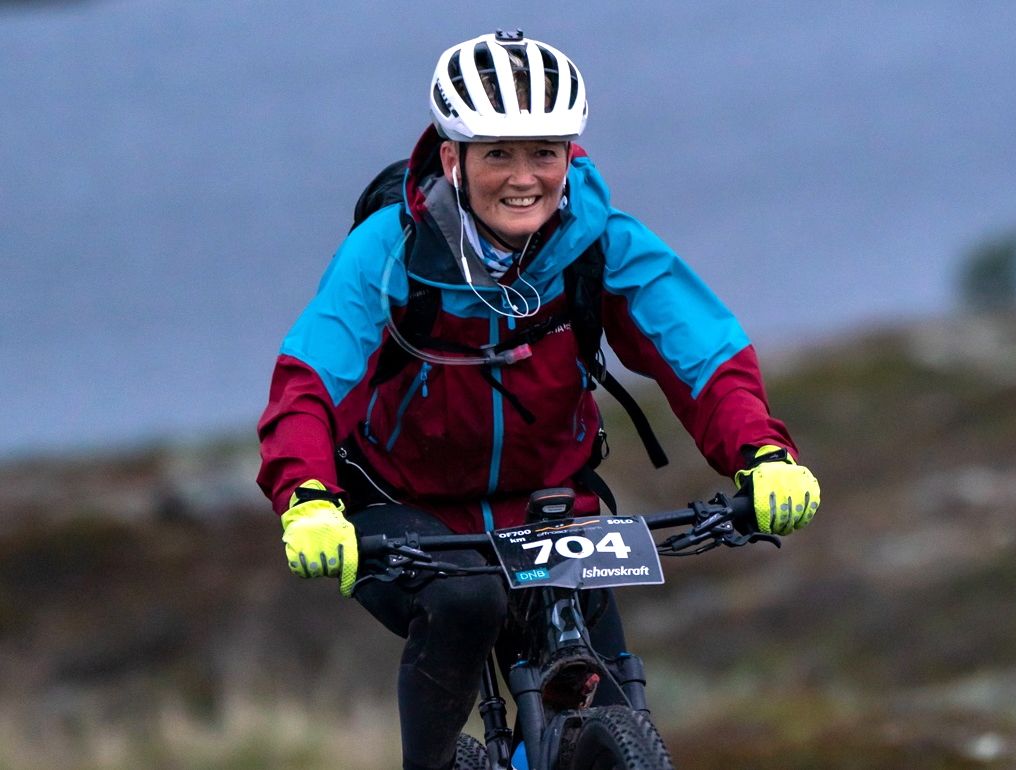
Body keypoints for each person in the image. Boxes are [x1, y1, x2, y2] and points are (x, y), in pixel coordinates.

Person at [256, 30, 820, 770]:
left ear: (569, 155)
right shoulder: (386, 252)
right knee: (467, 601)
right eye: (498, 154)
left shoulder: (601, 242)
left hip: (551, 509)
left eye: (545, 153)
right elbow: (307, 384)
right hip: (406, 511)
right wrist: (308, 498)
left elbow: (703, 356)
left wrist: (764, 453)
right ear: (453, 160)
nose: (524, 178)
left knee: (615, 718)